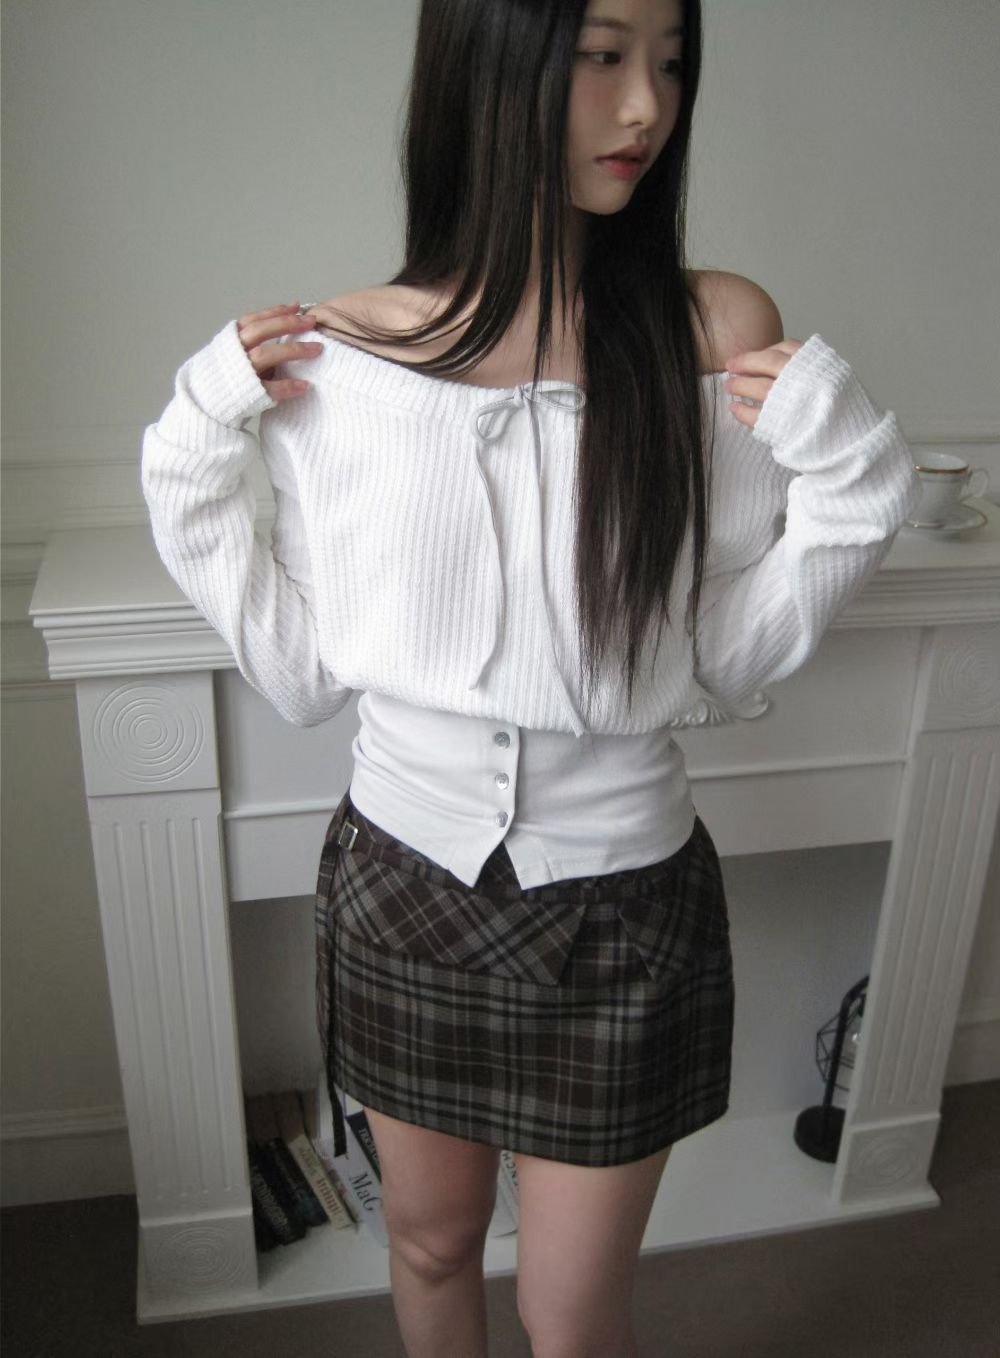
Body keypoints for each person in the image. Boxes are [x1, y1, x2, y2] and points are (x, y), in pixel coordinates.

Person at [141, 0, 921, 1353]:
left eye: (671, 62)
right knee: (430, 1243)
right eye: (604, 56)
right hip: (400, 885)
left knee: (574, 1311)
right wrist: (192, 448)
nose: (648, 107)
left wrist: (858, 485)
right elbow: (304, 674)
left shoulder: (714, 327)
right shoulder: (345, 353)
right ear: (493, 65)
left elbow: (725, 658)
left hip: (627, 905)